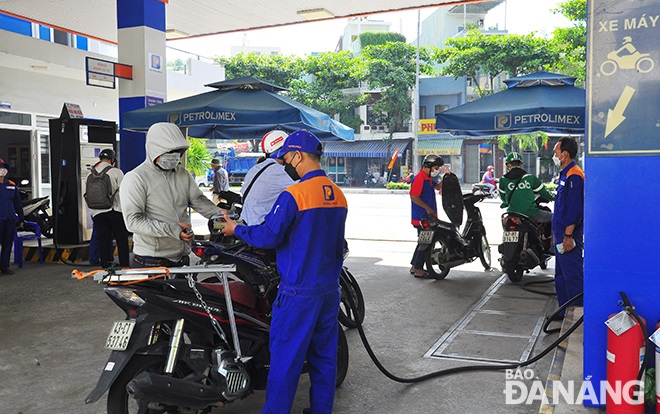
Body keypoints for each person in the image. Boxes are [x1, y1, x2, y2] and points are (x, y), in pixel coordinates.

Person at [221, 130, 347, 414]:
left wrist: (236, 229)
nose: (284, 165)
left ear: (298, 156)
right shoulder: (338, 194)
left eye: (285, 159)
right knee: (324, 359)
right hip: (329, 290)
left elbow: (268, 236)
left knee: (286, 363)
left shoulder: (295, 194)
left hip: (299, 293)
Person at [120, 122, 223, 268]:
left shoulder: (182, 173)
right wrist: (174, 229)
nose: (174, 157)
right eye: (169, 152)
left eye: (177, 152)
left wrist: (221, 215)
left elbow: (197, 200)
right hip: (151, 260)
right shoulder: (136, 177)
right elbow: (133, 221)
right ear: (155, 149)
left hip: (181, 257)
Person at [552, 137, 584, 313]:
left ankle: (576, 315)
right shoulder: (565, 173)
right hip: (560, 233)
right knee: (561, 276)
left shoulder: (575, 175)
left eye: (556, 152)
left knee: (572, 276)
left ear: (564, 154)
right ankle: (564, 312)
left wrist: (568, 236)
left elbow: (574, 208)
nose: (554, 155)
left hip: (568, 236)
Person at [239, 130, 294, 225]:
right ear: (282, 152)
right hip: (259, 228)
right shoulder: (279, 171)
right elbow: (309, 184)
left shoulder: (255, 169)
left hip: (245, 225)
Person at [88, 149, 130, 268]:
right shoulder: (116, 172)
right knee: (121, 239)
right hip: (115, 210)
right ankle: (124, 265)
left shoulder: (90, 173)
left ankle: (106, 266)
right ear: (112, 159)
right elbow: (124, 190)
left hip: (97, 211)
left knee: (103, 239)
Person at [409, 154, 444, 279]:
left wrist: (445, 179)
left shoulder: (428, 178)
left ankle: (414, 266)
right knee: (426, 244)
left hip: (427, 217)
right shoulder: (419, 178)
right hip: (421, 218)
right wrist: (427, 208)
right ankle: (419, 269)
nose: (437, 170)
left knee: (422, 242)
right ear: (428, 166)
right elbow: (413, 195)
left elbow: (437, 187)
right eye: (436, 167)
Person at [498, 152, 554, 224]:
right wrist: (556, 197)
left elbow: (503, 198)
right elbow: (545, 193)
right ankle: (558, 235)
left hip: (511, 213)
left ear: (508, 164)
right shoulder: (530, 178)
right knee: (555, 218)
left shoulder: (503, 180)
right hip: (531, 213)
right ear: (521, 164)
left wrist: (507, 203)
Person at [0, 158, 23, 275]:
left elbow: (17, 202)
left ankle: (4, 267)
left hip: (9, 218)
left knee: (8, 243)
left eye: (4, 169)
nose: (2, 171)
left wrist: (21, 216)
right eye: (0, 168)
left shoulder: (11, 185)